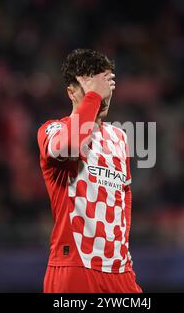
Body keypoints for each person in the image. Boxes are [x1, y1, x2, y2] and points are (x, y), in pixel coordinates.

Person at [37, 49, 142, 293]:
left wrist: (122, 248)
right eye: (93, 88)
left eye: (107, 87)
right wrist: (93, 96)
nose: (104, 97)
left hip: (119, 269)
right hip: (75, 267)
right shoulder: (52, 130)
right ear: (71, 92)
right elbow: (72, 145)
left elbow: (123, 194)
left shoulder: (119, 137)